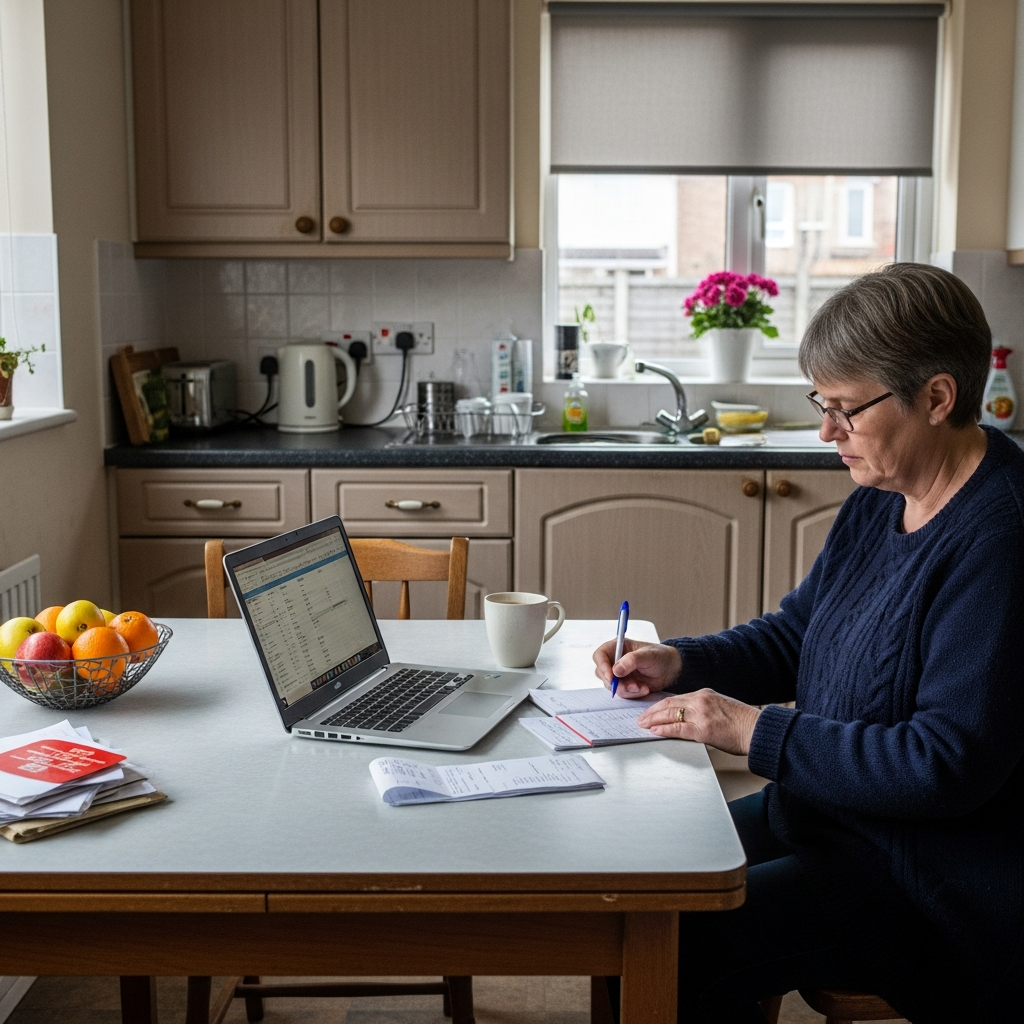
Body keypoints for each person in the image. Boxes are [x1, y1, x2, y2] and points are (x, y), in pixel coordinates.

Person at [593, 263, 1023, 1024]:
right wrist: (681, 662)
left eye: (846, 409)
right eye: (821, 405)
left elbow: (944, 763)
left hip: (927, 885)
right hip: (832, 821)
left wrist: (748, 729)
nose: (829, 431)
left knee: (679, 946)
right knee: (637, 880)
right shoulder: (883, 493)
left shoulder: (1001, 538)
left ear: (936, 397)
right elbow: (799, 634)